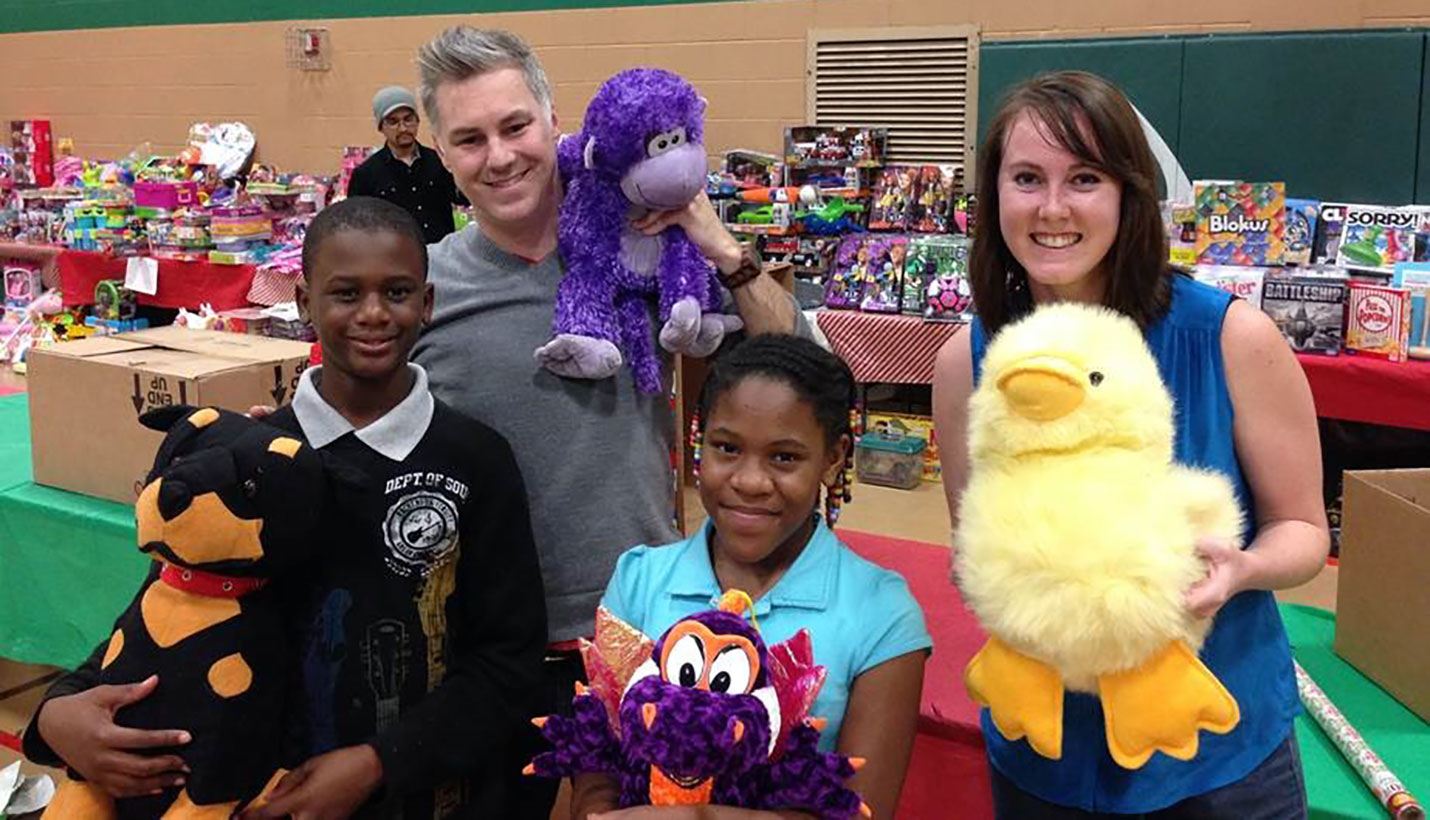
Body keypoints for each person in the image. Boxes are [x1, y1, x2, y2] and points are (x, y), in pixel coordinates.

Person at [24, 197, 549, 819]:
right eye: (346, 293)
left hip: (423, 798)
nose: (375, 314)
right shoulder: (239, 453)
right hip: (250, 800)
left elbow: (509, 664)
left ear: (428, 303)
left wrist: (379, 762)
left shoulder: (475, 460)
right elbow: (165, 607)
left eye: (399, 291)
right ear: (303, 303)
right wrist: (59, 711)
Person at [408, 25, 809, 816]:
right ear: (444, 154)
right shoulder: (421, 287)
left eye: (516, 125)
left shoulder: (645, 250)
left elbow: (795, 359)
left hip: (651, 633)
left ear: (557, 122)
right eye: (469, 138)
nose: (500, 155)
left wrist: (716, 241)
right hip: (489, 647)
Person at [931, 71, 1328, 818]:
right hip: (1043, 748)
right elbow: (974, 546)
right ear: (994, 197)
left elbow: (1305, 530)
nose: (1052, 208)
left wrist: (1242, 569)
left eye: (1084, 178)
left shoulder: (1230, 338)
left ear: (1128, 194)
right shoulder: (968, 363)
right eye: (1026, 178)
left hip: (1215, 752)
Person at [577, 334, 931, 819]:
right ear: (699, 440)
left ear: (833, 458)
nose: (749, 481)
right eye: (726, 448)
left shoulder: (881, 613)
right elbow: (596, 761)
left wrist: (693, 816)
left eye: (784, 457)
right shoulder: (639, 579)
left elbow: (861, 808)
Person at [347, 85, 467, 244]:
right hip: (394, 261)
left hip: (441, 258)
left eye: (408, 119)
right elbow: (356, 226)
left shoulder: (440, 161)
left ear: (417, 120)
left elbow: (465, 198)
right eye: (393, 121)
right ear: (380, 127)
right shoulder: (365, 174)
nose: (403, 128)